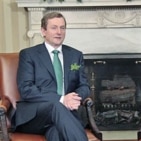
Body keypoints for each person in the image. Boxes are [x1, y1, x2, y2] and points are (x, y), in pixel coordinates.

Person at [13, 12, 90, 141]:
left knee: (56, 133)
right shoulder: (29, 55)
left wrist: (74, 98)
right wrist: (61, 99)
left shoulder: (75, 55)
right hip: (35, 115)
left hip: (65, 115)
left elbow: (84, 85)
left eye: (62, 28)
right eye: (54, 28)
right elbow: (26, 89)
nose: (59, 32)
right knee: (57, 106)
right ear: (43, 31)